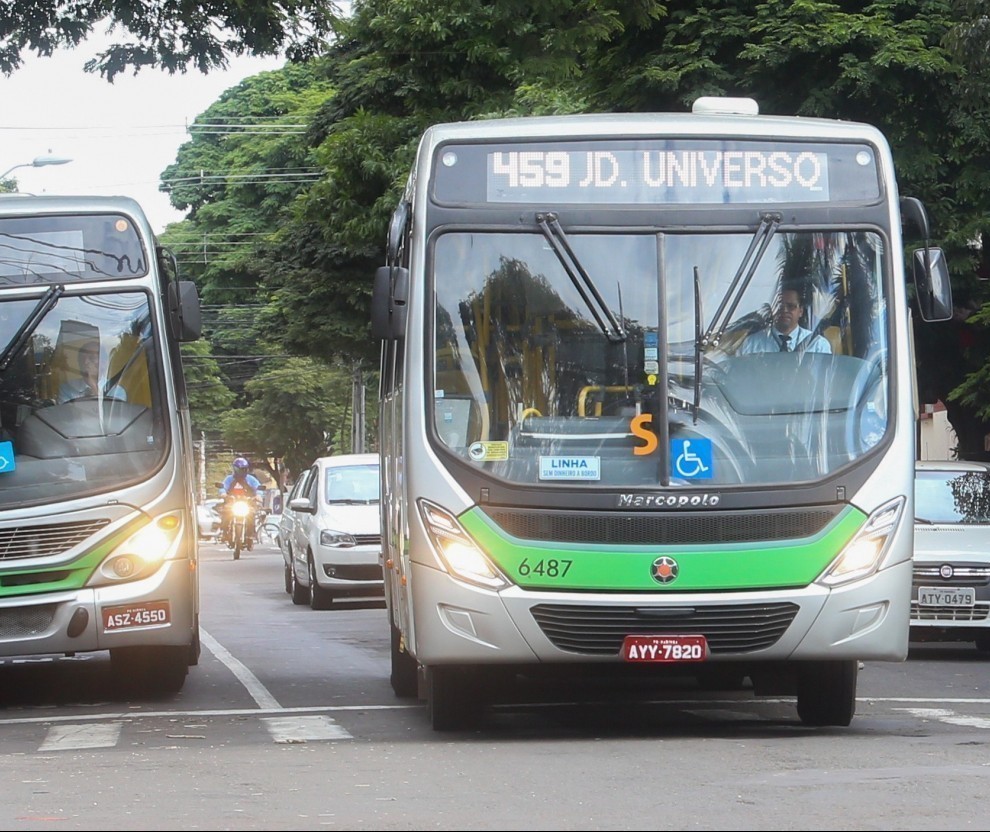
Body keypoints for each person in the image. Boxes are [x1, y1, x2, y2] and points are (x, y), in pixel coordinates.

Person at [736, 286, 832, 355]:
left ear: (801, 311)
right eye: (779, 306)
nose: (784, 310)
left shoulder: (818, 345)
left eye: (791, 306)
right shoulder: (751, 344)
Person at [58, 340, 128, 403]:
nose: (85, 362)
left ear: (103, 363)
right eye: (82, 358)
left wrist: (93, 386)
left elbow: (110, 415)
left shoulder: (116, 391)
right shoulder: (67, 388)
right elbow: (67, 414)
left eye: (92, 358)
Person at [218, 457, 262, 543]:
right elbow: (223, 487)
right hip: (232, 503)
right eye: (239, 469)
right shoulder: (229, 479)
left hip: (248, 503)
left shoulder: (251, 479)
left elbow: (258, 487)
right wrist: (223, 494)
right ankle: (224, 532)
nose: (241, 471)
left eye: (243, 469)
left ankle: (250, 534)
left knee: (251, 514)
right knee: (226, 513)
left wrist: (258, 495)